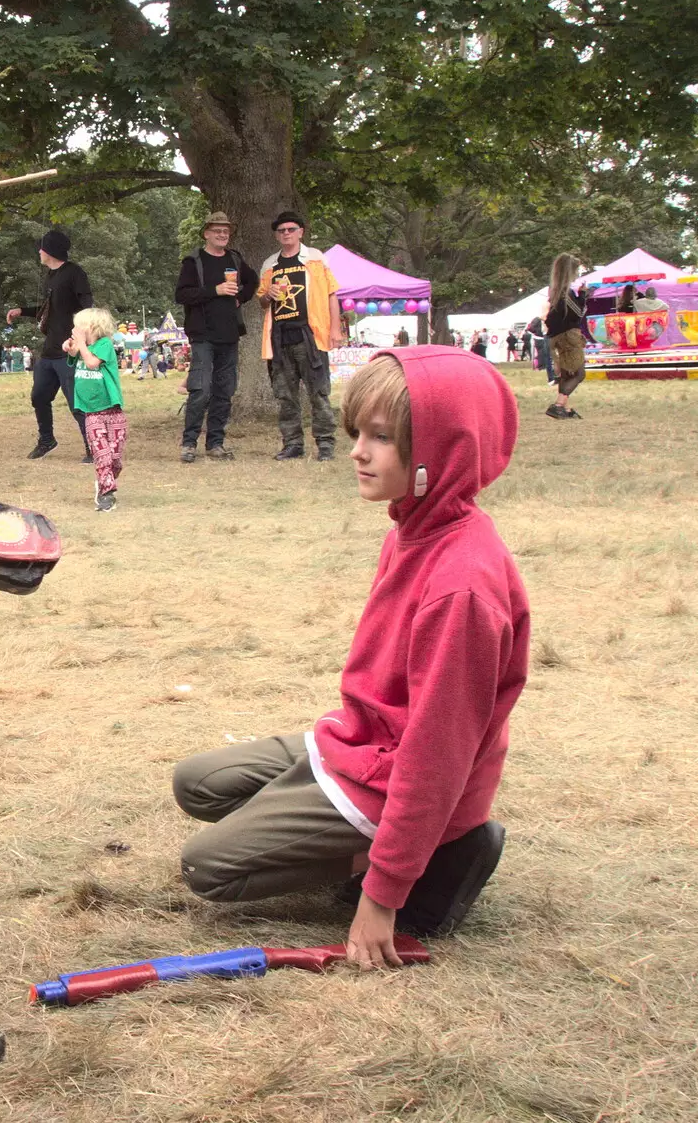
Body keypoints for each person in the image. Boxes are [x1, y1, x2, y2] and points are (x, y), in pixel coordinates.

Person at [173, 348, 526, 966]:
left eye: (382, 438)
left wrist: (381, 893)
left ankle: (429, 857)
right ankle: (335, 825)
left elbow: (437, 754)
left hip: (402, 776)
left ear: (443, 451)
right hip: (364, 743)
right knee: (197, 784)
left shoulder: (462, 586)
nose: (358, 451)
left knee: (208, 870)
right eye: (356, 431)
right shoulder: (413, 529)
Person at [258, 212, 342, 461]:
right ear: (276, 234)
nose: (286, 233)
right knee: (285, 394)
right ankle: (292, 443)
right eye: (281, 230)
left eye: (291, 229)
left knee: (318, 391)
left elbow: (332, 294)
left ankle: (325, 443)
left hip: (310, 334)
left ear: (301, 232)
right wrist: (268, 295)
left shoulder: (316, 258)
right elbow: (262, 302)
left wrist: (335, 329)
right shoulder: (269, 265)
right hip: (280, 337)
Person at [175, 211, 257, 462]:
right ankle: (189, 444)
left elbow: (253, 282)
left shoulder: (235, 259)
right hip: (202, 335)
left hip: (229, 335)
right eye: (217, 230)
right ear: (206, 234)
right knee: (200, 389)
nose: (222, 235)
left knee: (224, 390)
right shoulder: (194, 261)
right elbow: (182, 295)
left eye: (226, 231)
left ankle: (215, 443)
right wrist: (216, 290)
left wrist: (239, 297)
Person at [7, 230, 93, 461]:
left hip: (69, 350)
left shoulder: (74, 273)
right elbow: (48, 311)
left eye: (41, 248)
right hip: (49, 351)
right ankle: (47, 440)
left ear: (51, 251)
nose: (39, 252)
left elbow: (87, 305)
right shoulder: (49, 277)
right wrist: (22, 311)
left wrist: (81, 338)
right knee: (39, 397)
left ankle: (92, 447)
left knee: (77, 403)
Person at [64, 307, 126, 511]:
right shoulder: (83, 347)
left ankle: (104, 480)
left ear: (92, 328)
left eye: (79, 327)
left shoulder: (104, 345)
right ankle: (106, 494)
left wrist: (81, 344)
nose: (75, 330)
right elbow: (72, 352)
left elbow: (91, 363)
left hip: (112, 409)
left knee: (115, 458)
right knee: (102, 454)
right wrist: (69, 345)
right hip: (92, 412)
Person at [543, 253, 589, 420]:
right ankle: (558, 405)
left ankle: (565, 409)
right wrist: (583, 296)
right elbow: (578, 314)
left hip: (557, 336)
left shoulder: (555, 292)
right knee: (579, 373)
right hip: (569, 336)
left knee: (567, 373)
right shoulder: (566, 294)